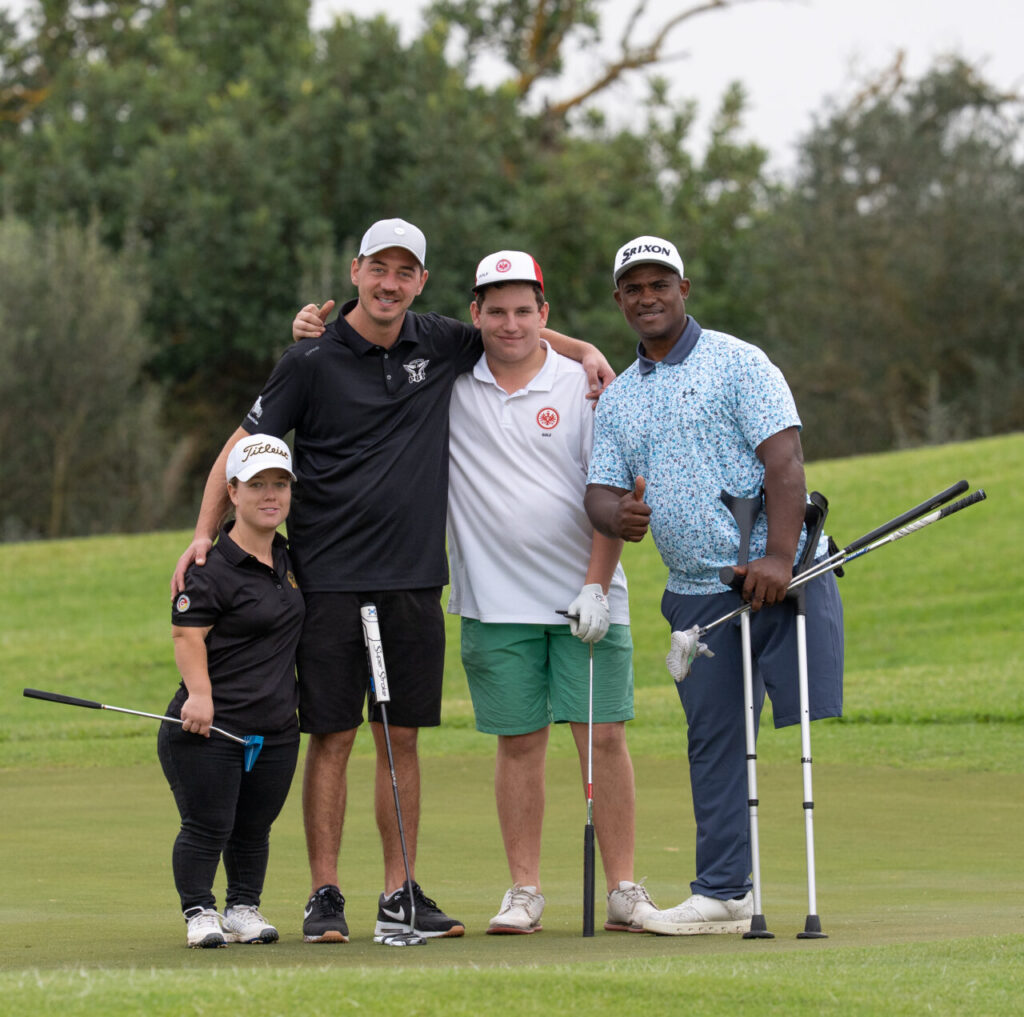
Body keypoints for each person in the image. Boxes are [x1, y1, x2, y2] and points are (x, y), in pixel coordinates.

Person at [172, 218, 614, 943]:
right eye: (380, 267)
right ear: (356, 270)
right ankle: (324, 894)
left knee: (400, 738)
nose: (390, 283)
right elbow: (243, 442)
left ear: (421, 283)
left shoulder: (436, 340)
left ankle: (398, 892)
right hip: (328, 579)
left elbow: (517, 335)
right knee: (334, 737)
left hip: (413, 580)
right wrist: (202, 531)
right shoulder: (310, 357)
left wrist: (586, 349)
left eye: (405, 272)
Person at [584, 235, 844, 936]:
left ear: (684, 288)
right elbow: (599, 496)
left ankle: (741, 888)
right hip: (697, 594)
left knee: (795, 723)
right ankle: (725, 894)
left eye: (659, 283)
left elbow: (784, 460)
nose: (647, 296)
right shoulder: (620, 401)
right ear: (620, 300)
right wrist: (621, 514)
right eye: (633, 287)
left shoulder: (739, 363)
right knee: (716, 738)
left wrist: (781, 556)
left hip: (774, 581)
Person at [445, 250, 657, 934]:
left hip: (587, 598)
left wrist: (596, 585)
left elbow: (615, 492)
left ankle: (624, 887)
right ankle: (524, 889)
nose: (511, 324)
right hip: (492, 600)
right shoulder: (448, 382)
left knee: (604, 739)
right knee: (518, 744)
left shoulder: (587, 387)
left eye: (524, 310)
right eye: (496, 310)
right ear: (475, 313)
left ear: (545, 313)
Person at [161, 434, 303, 948]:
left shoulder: (290, 557)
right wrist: (199, 695)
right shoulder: (211, 566)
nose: (271, 495)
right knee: (208, 825)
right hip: (209, 726)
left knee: (254, 827)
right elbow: (186, 634)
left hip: (276, 728)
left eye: (280, 485)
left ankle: (243, 906)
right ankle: (200, 912)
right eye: (258, 485)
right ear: (233, 493)